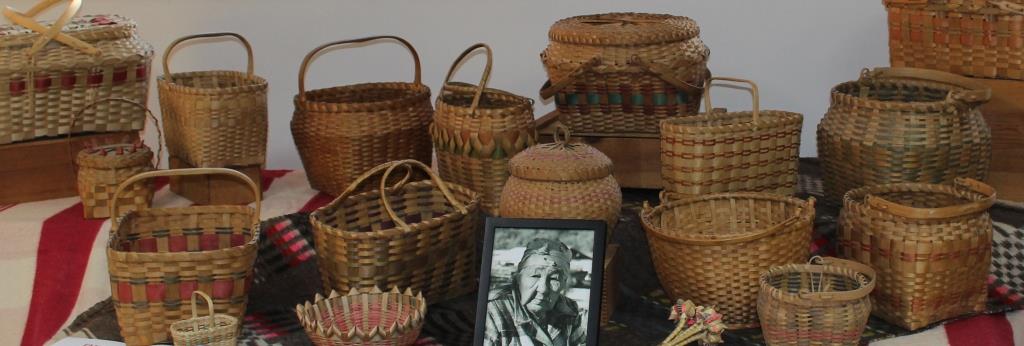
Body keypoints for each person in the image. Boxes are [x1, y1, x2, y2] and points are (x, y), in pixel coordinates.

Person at [484, 238, 587, 346]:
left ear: (564, 283)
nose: (543, 289)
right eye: (535, 276)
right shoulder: (493, 310)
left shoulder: (569, 309)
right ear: (518, 278)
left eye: (554, 279)